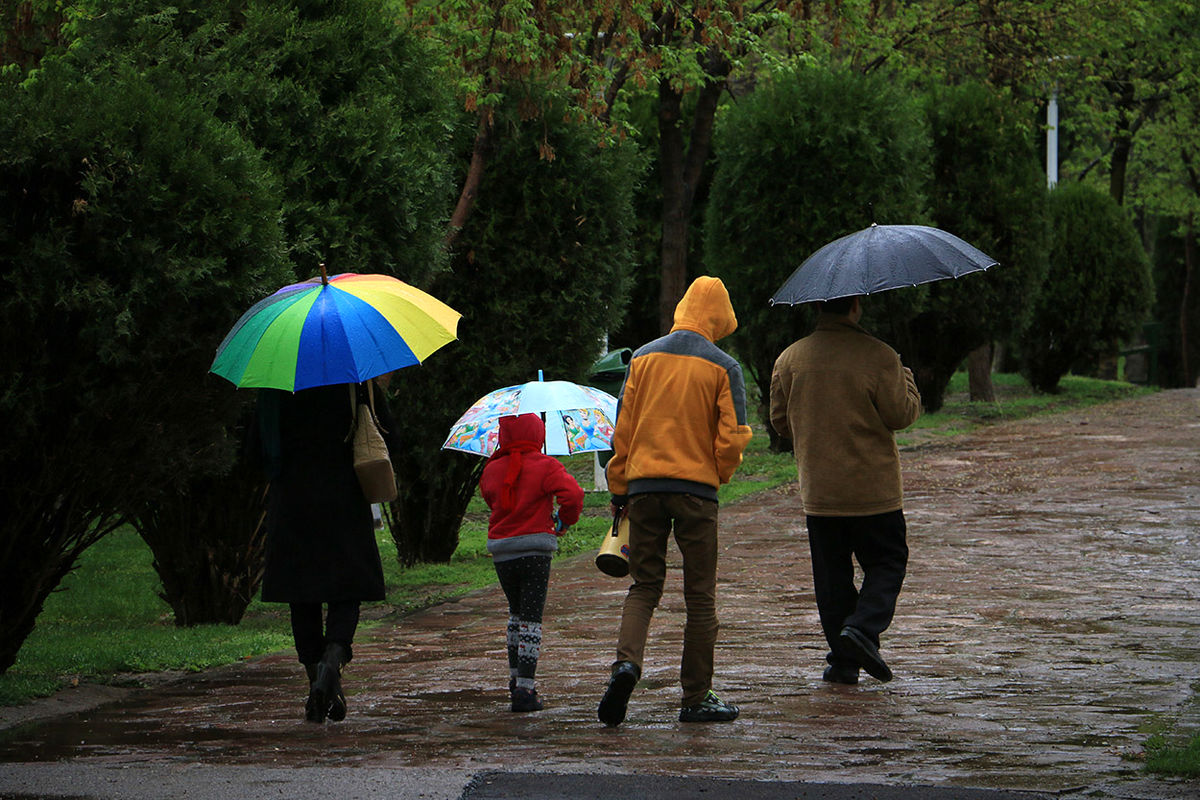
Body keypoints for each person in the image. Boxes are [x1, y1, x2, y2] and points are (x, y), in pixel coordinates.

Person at [597, 276, 754, 726]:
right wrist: (715, 475)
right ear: (720, 318)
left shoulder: (643, 358)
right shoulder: (724, 366)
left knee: (644, 587)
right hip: (696, 494)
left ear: (683, 308)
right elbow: (733, 438)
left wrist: (619, 487)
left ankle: (626, 665)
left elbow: (623, 429)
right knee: (700, 597)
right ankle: (696, 696)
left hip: (644, 489)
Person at [769, 295, 921, 685]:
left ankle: (842, 661)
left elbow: (781, 423)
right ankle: (863, 630)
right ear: (855, 305)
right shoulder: (880, 355)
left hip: (820, 492)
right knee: (887, 562)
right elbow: (901, 414)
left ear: (816, 306)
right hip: (874, 490)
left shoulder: (789, 359)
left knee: (831, 578)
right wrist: (904, 375)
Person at [256, 377, 398, 723]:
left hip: (293, 498)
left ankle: (315, 681)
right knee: (347, 586)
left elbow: (256, 448)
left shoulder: (276, 382)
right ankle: (332, 660)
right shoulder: (355, 380)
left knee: (300, 593)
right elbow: (390, 431)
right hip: (344, 495)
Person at [479, 413, 584, 712]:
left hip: (503, 552)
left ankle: (514, 680)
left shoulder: (492, 468)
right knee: (531, 618)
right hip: (536, 551)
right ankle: (525, 689)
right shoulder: (547, 465)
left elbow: (489, 496)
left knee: (515, 613)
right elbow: (573, 495)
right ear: (537, 434)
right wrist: (563, 520)